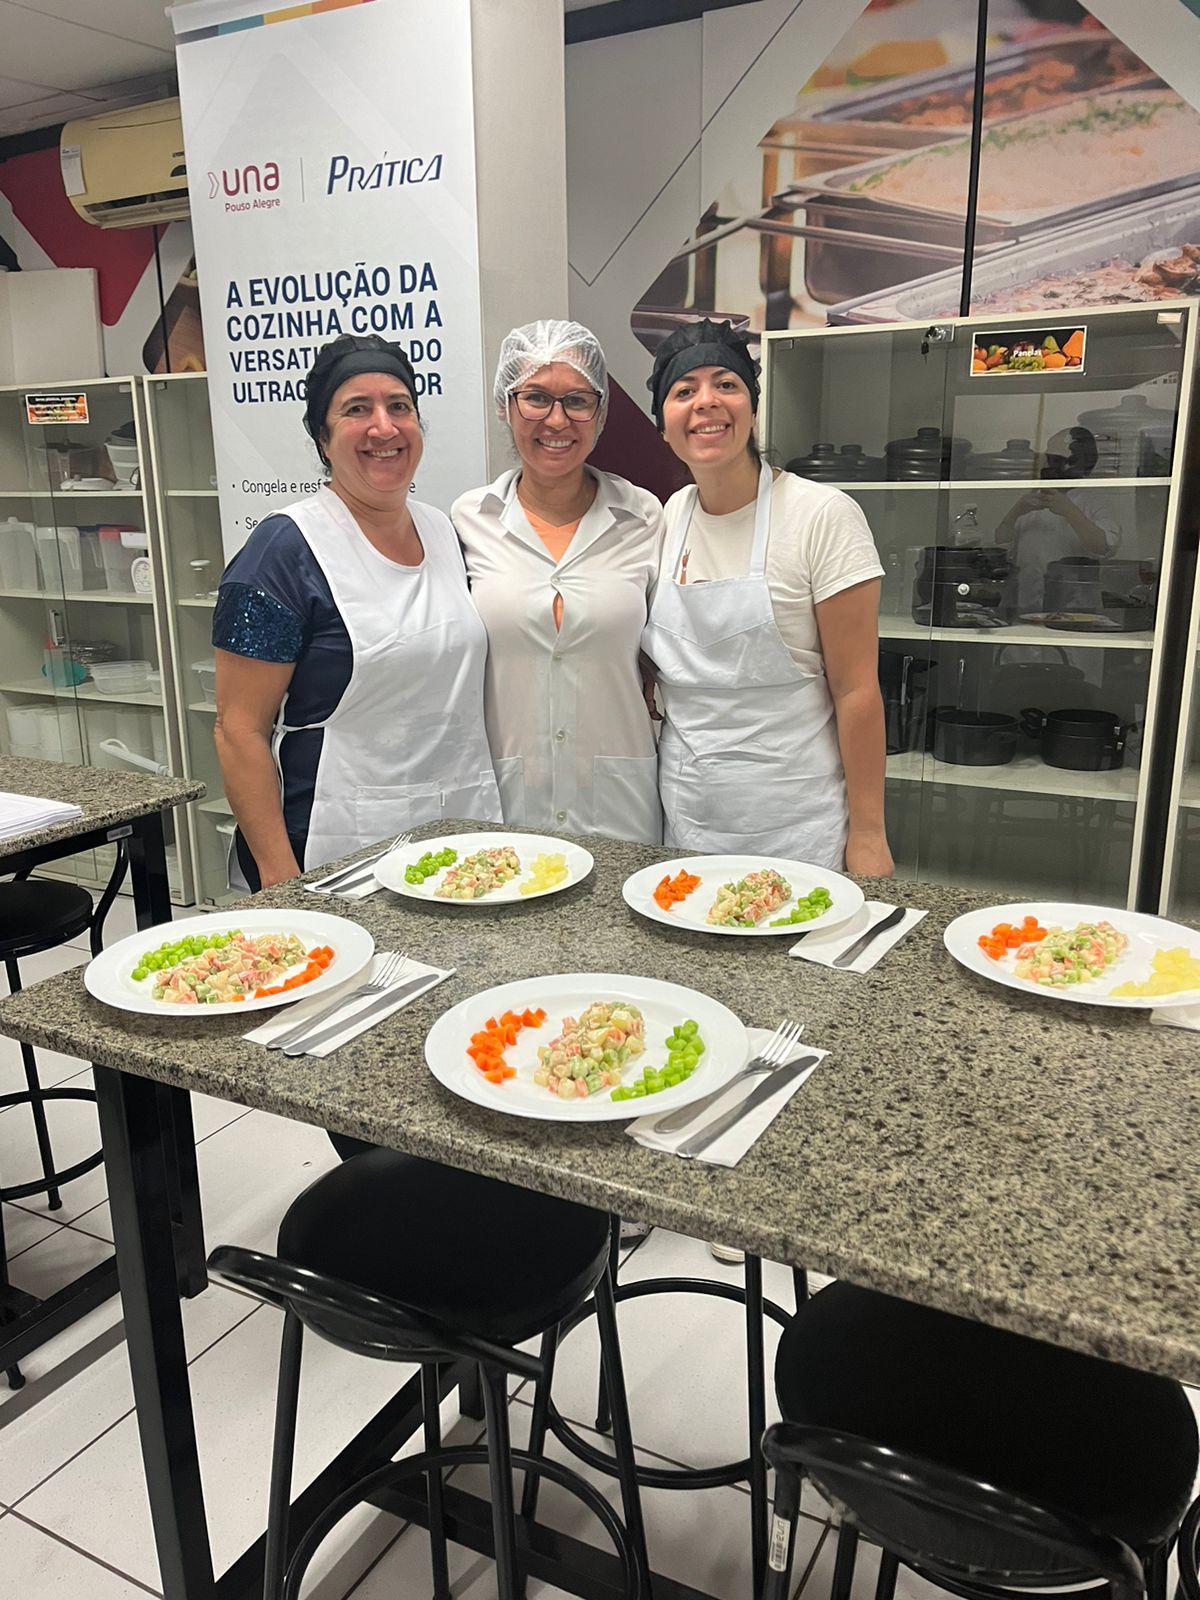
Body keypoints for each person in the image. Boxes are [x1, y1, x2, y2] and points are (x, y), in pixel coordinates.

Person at [212, 333, 500, 891]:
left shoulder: (444, 532)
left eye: (400, 406)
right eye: (356, 410)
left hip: (460, 826)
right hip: (334, 841)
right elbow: (238, 729)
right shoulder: (284, 551)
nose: (384, 428)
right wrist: (279, 878)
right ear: (322, 438)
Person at [642, 318, 893, 877]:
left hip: (797, 823)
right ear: (663, 425)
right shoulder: (669, 516)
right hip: (688, 818)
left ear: (753, 410)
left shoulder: (821, 515)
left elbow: (856, 690)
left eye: (726, 384)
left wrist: (869, 834)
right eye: (684, 391)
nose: (706, 402)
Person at [452, 320, 664, 845]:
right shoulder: (468, 520)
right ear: (505, 406)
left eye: (577, 400)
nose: (556, 419)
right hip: (507, 800)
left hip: (618, 801)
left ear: (601, 413)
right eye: (536, 398)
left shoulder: (643, 516)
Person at [995, 426, 1121, 616]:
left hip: (1075, 612)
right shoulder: (1032, 499)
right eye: (1048, 457)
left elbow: (1104, 546)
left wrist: (1069, 511)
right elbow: (1001, 544)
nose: (1047, 465)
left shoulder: (1094, 500)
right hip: (1026, 608)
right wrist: (1016, 511)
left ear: (1077, 463)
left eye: (1056, 459)